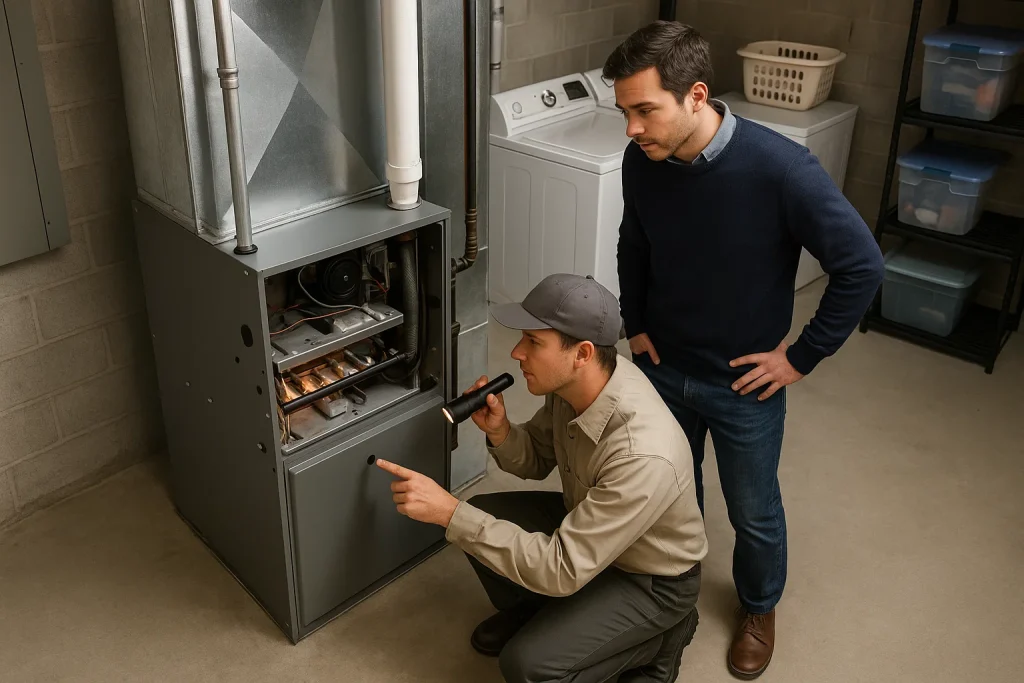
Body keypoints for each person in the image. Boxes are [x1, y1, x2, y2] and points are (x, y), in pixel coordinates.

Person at [601, 20, 885, 680]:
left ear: (696, 96)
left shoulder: (781, 169)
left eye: (645, 110)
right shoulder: (642, 159)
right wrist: (636, 322)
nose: (632, 129)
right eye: (624, 112)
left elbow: (861, 265)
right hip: (662, 365)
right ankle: (672, 592)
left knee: (753, 511)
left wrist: (800, 357)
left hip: (744, 384)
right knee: (670, 490)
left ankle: (759, 606)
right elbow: (633, 243)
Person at [375, 273, 708, 683]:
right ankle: (541, 614)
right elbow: (536, 459)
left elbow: (561, 568)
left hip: (651, 578)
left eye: (533, 342)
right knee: (481, 515)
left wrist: (448, 513)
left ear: (582, 353)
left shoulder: (642, 453)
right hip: (591, 528)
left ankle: (663, 638)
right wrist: (501, 431)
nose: (516, 352)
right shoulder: (577, 384)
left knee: (527, 666)